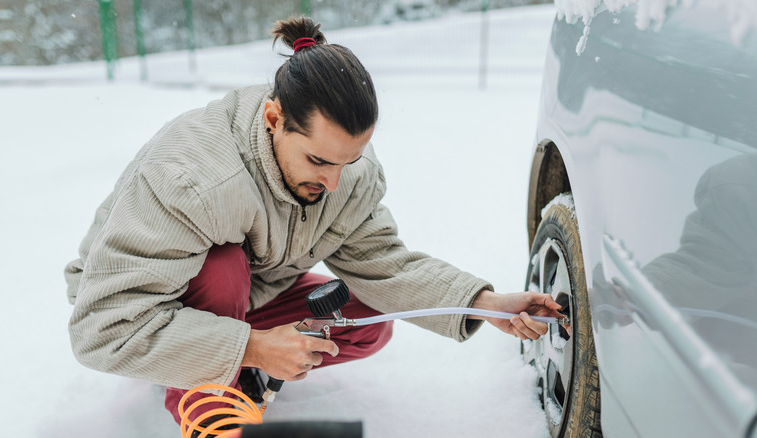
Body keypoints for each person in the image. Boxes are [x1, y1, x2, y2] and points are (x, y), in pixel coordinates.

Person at [64, 16, 565, 427]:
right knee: (222, 267)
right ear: (273, 119)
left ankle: (231, 364)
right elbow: (101, 328)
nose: (332, 182)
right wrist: (255, 346)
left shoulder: (342, 175)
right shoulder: (193, 180)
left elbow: (382, 265)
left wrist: (484, 303)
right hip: (146, 301)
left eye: (348, 161)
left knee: (366, 317)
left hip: (250, 293)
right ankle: (209, 407)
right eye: (319, 162)